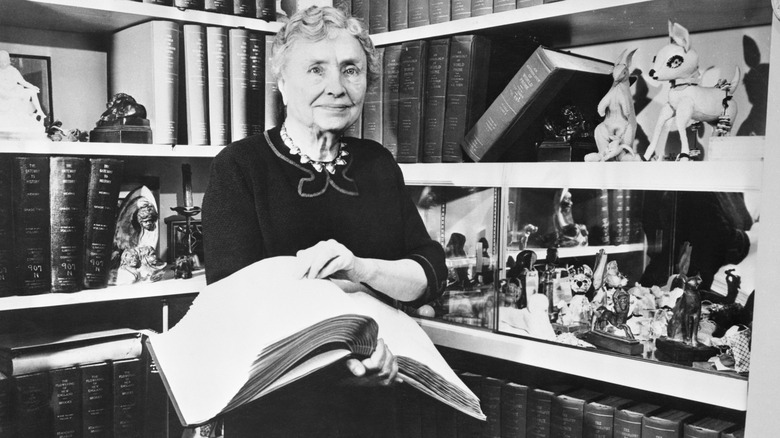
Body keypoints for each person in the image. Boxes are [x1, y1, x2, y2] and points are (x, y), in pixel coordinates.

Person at [201, 6, 447, 437]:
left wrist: (360, 268)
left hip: (375, 410)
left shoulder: (378, 164)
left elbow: (429, 271)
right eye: (316, 69)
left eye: (350, 70)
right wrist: (351, 354)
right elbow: (235, 307)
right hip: (279, 413)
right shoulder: (241, 167)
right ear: (281, 82)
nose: (337, 87)